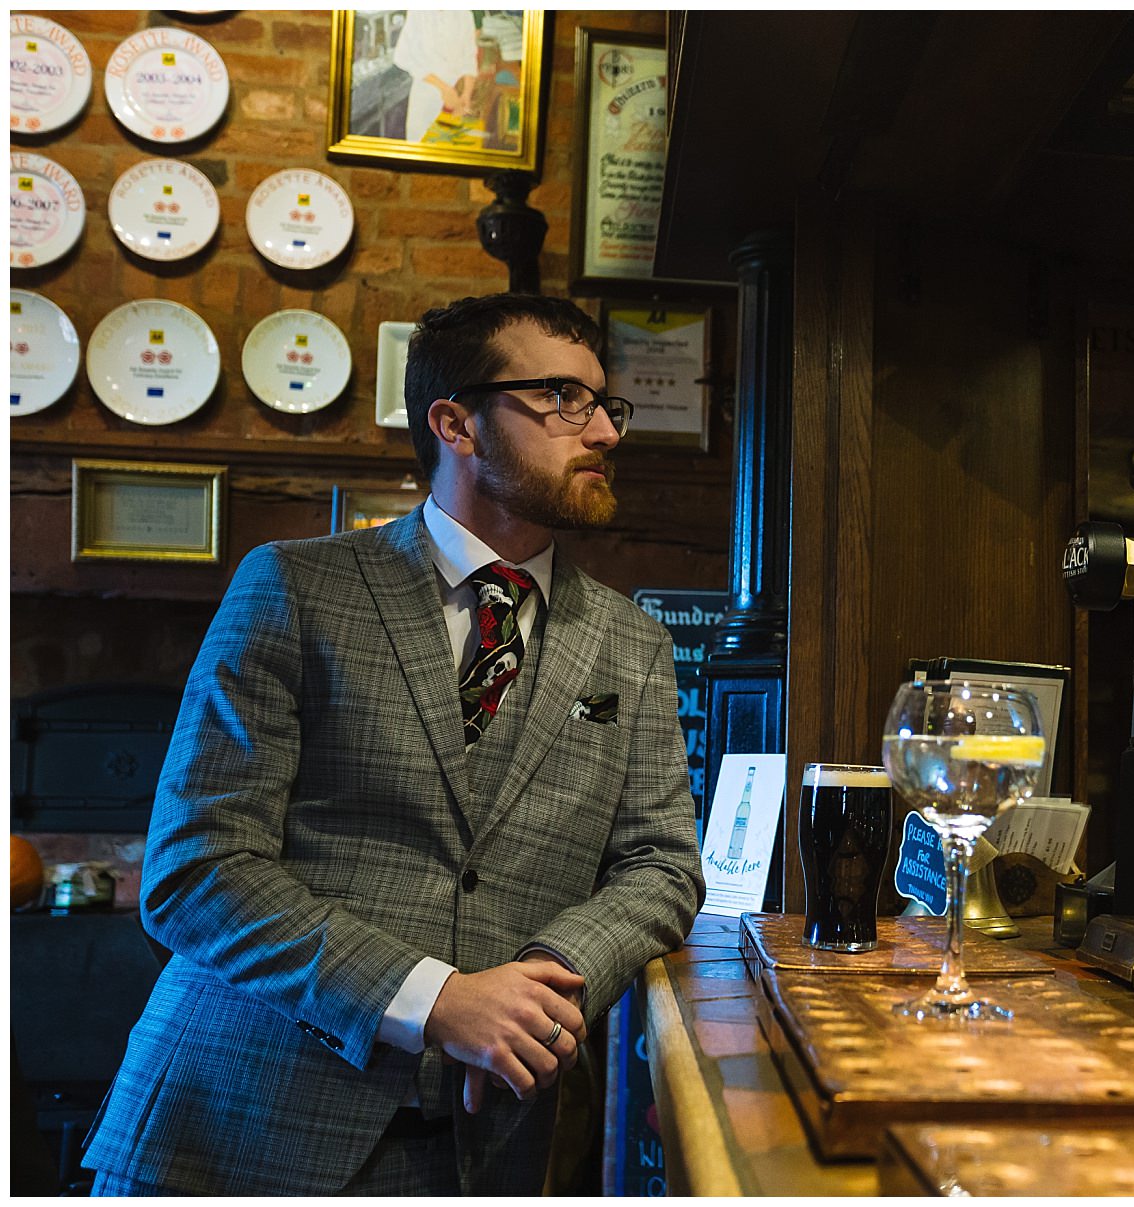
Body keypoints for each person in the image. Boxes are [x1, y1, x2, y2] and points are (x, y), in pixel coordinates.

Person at [82, 293, 705, 1195]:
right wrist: (433, 998)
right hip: (237, 1128)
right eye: (565, 397)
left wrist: (550, 978)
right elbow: (195, 868)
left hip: (487, 1144)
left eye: (607, 403)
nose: (604, 429)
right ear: (455, 421)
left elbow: (661, 865)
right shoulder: (296, 587)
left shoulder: (633, 643)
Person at [392, 9, 478, 142]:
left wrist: (466, 94)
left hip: (456, 98)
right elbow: (402, 56)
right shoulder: (418, 12)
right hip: (426, 95)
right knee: (421, 149)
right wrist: (444, 88)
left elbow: (469, 57)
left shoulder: (464, 14)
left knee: (449, 152)